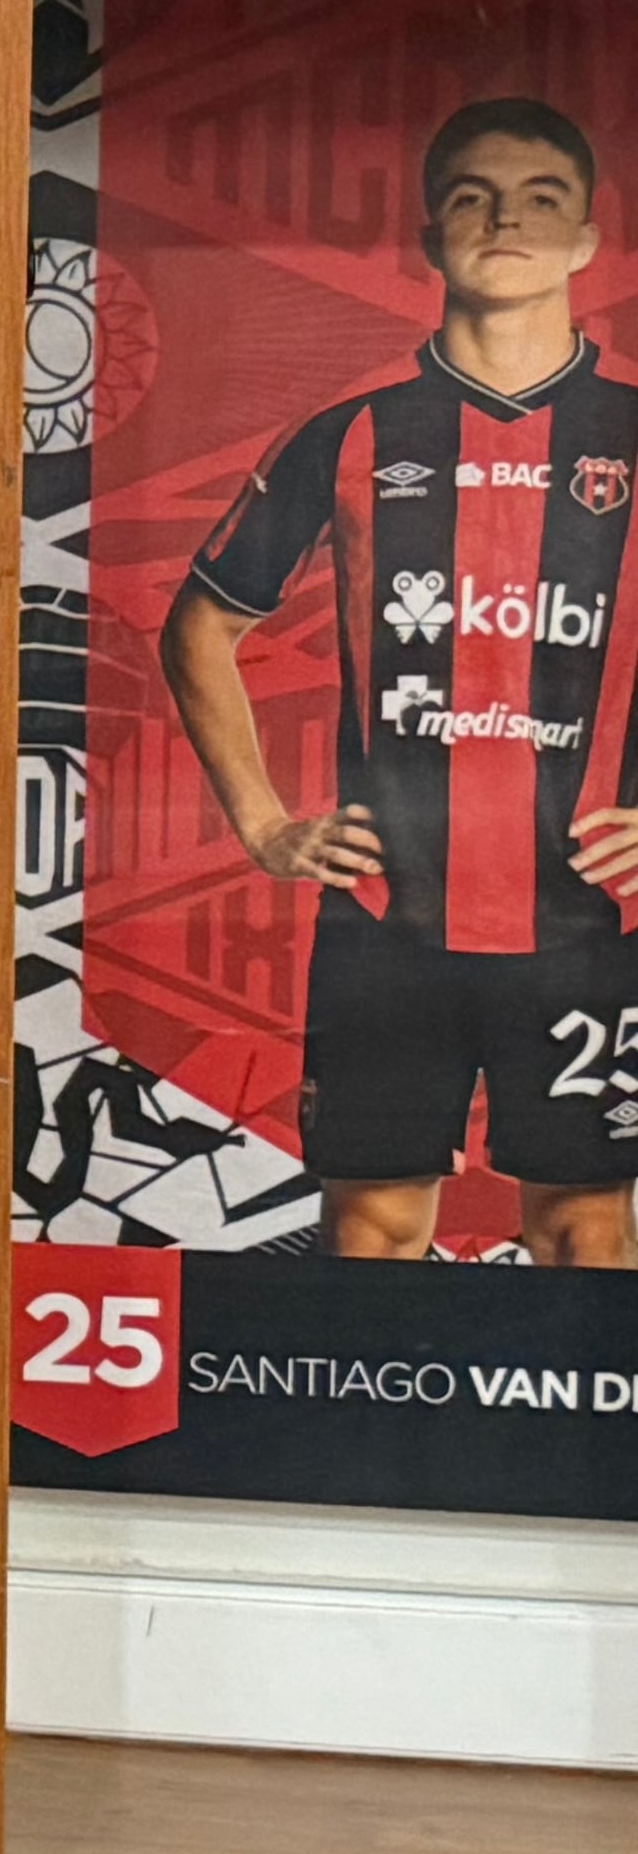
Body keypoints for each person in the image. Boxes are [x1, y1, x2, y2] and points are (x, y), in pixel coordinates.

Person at [164, 94, 638, 1268]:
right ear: (427, 238)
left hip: (585, 919)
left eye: (541, 200)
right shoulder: (350, 435)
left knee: (583, 1221)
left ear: (586, 240)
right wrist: (265, 826)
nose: (504, 222)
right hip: (386, 917)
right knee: (370, 1222)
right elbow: (196, 630)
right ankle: (368, 1449)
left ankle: (572, 1456)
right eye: (469, 199)